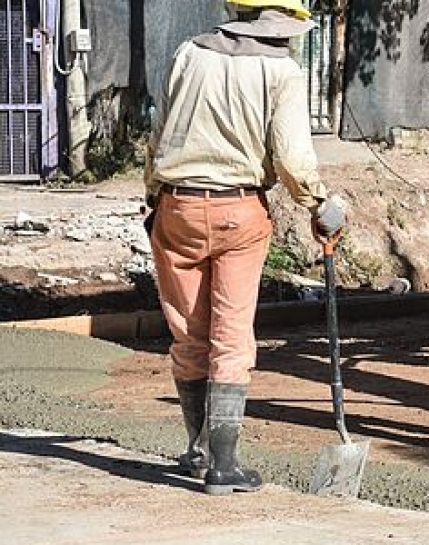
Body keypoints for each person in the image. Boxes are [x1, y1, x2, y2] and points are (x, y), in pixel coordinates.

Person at [144, 0, 347, 495]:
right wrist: (319, 205)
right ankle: (225, 465)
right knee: (231, 335)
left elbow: (160, 129)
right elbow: (295, 158)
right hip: (240, 209)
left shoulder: (188, 52)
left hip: (177, 205)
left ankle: (197, 451)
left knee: (189, 335)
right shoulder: (282, 71)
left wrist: (155, 195)